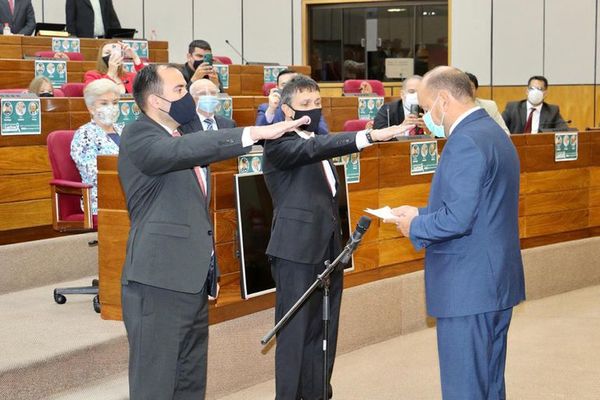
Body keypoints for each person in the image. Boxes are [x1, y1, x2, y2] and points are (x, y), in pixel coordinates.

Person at [117, 63, 311, 400]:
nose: (187, 98)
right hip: (158, 279)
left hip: (191, 279)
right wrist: (254, 133)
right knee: (156, 382)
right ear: (156, 101)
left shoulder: (182, 134)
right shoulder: (139, 134)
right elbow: (183, 151)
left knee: (190, 379)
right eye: (179, 90)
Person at [262, 75, 413, 399]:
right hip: (296, 251)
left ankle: (318, 393)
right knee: (295, 333)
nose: (313, 111)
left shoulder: (314, 139)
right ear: (286, 109)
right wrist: (370, 135)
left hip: (329, 247)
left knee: (323, 327)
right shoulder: (279, 144)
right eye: (305, 105)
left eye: (317, 104)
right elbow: (315, 147)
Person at [386, 66, 525, 400]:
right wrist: (420, 212)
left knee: (465, 388)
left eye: (425, 106)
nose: (424, 116)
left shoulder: (464, 141)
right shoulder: (492, 133)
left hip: (468, 287)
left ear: (443, 101)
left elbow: (459, 219)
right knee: (489, 383)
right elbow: (481, 205)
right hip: (492, 281)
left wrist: (414, 226)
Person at [70, 79, 121, 215]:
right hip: (103, 198)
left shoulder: (124, 130)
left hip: (132, 191)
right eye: (104, 103)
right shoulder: (84, 134)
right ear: (91, 108)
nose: (111, 107)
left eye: (115, 103)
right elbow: (93, 174)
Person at [256, 69, 330, 135]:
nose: (289, 88)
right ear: (277, 88)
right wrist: (271, 109)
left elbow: (324, 134)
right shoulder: (265, 108)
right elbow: (258, 137)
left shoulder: (312, 108)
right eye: (284, 85)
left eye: (292, 85)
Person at [502, 75, 568, 133]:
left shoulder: (552, 111)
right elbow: (499, 128)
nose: (535, 92)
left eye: (539, 89)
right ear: (527, 91)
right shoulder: (513, 108)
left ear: (545, 93)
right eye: (532, 88)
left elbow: (563, 130)